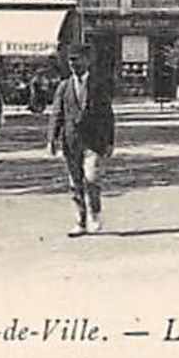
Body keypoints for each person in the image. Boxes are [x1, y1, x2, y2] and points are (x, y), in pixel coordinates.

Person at [47, 49, 116, 236]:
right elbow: (57, 114)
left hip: (93, 142)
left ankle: (95, 214)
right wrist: (52, 138)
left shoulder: (98, 85)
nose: (73, 64)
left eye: (77, 60)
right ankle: (80, 221)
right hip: (71, 142)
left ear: (87, 60)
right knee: (75, 183)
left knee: (92, 179)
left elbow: (108, 116)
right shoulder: (64, 86)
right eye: (70, 61)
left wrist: (110, 141)